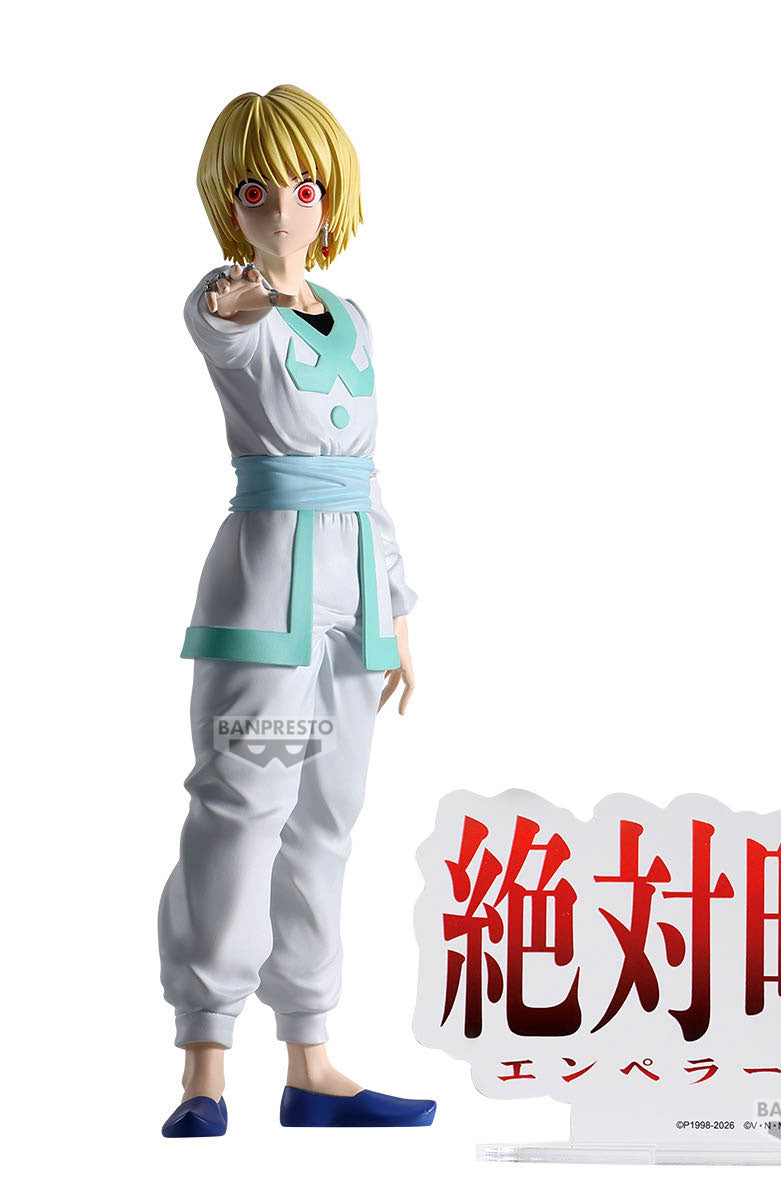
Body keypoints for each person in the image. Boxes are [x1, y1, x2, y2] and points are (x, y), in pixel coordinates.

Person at [158, 84, 435, 1136]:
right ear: (230, 202)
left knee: (326, 820)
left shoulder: (352, 321)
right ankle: (204, 1064)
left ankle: (311, 1058)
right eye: (257, 190)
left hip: (353, 593)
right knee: (242, 810)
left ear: (332, 197)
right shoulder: (229, 302)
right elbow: (223, 328)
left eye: (305, 188)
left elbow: (366, 476)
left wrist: (396, 611)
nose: (283, 210)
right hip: (267, 589)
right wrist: (239, 303)